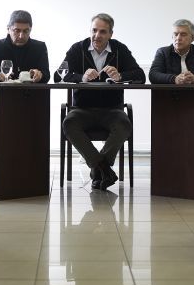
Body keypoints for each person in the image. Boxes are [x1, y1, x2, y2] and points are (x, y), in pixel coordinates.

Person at [58, 13, 145, 190]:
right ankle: (104, 169)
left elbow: (140, 76)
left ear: (111, 34)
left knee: (124, 124)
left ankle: (98, 171)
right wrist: (81, 77)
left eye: (103, 32)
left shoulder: (119, 49)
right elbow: (59, 75)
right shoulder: (78, 48)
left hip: (112, 109)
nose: (97, 35)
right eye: (94, 30)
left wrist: (120, 76)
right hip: (82, 109)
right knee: (68, 123)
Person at [0, 10, 50, 155]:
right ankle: (2, 157)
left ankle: (33, 159)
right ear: (8, 29)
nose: (21, 36)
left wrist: (40, 75)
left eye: (26, 31)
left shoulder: (39, 47)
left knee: (41, 121)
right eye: (17, 31)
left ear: (31, 29)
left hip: (31, 101)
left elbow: (46, 75)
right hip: (0, 101)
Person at [148, 19, 194, 84]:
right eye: (175, 34)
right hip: (169, 90)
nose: (178, 38)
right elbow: (153, 75)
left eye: (183, 34)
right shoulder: (162, 52)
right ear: (172, 36)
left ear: (192, 38)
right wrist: (174, 79)